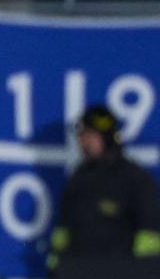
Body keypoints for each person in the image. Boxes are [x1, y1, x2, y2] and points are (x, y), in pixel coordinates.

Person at [48, 105, 160, 268]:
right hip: (78, 278)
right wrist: (56, 266)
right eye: (81, 136)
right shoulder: (78, 177)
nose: (83, 142)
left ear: (107, 137)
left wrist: (142, 274)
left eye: (90, 135)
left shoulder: (135, 179)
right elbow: (63, 231)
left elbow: (150, 234)